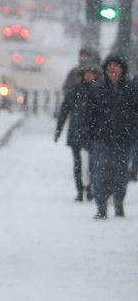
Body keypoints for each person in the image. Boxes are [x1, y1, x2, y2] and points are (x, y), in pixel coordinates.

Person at [83, 54, 136, 220]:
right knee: (100, 173)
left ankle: (119, 202)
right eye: (109, 66)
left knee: (121, 174)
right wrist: (89, 134)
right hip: (101, 139)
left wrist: (132, 131)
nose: (113, 70)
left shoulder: (130, 90)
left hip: (123, 139)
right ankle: (101, 206)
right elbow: (89, 115)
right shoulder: (97, 89)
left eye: (116, 66)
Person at [55, 61, 100, 201]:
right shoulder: (75, 90)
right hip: (76, 130)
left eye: (91, 74)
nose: (89, 76)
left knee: (93, 162)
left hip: (92, 131)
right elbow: (64, 110)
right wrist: (58, 130)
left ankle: (90, 188)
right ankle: (80, 189)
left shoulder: (98, 91)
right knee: (77, 163)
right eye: (87, 74)